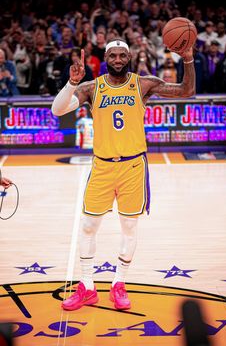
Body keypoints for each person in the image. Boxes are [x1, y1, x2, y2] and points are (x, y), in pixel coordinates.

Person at [52, 39, 195, 311]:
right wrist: (72, 83)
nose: (117, 59)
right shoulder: (92, 87)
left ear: (130, 56)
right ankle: (87, 286)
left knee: (129, 228)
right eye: (112, 55)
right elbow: (57, 110)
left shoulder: (143, 84)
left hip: (132, 167)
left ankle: (119, 283)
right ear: (105, 57)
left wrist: (187, 58)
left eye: (122, 55)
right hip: (102, 166)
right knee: (88, 226)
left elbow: (187, 90)